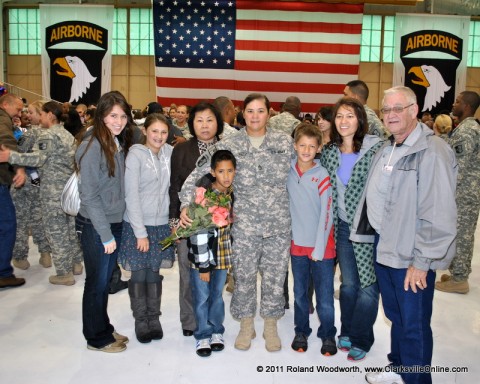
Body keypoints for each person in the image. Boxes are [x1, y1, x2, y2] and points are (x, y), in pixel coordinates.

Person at [354, 86, 457, 384]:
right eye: (386, 109)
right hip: (386, 248)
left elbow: (438, 213)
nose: (390, 115)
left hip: (412, 256)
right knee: (397, 317)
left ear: (414, 111)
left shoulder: (432, 151)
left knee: (414, 324)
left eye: (398, 108)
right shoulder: (391, 146)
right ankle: (399, 367)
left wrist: (422, 261)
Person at [179, 93, 293, 352]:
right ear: (243, 113)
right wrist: (186, 203)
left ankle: (271, 325)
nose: (255, 116)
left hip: (278, 224)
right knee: (243, 276)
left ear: (269, 113)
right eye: (250, 111)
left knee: (275, 278)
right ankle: (246, 324)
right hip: (244, 226)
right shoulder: (230, 143)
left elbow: (302, 171)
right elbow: (198, 173)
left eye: (260, 111)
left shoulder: (284, 142)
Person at [320, 97, 384, 362]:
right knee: (348, 285)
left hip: (368, 227)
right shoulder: (329, 151)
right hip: (343, 229)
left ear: (360, 119)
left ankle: (362, 338)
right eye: (339, 116)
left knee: (368, 286)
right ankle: (346, 331)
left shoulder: (376, 150)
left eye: (350, 116)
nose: (344, 121)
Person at [75, 91, 134, 353]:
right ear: (101, 116)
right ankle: (96, 338)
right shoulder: (93, 146)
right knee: (96, 283)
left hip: (114, 222)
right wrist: (105, 235)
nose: (118, 121)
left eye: (122, 116)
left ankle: (104, 327)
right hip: (97, 226)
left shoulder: (113, 142)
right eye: (113, 116)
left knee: (104, 281)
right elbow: (89, 195)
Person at [0, 101, 82, 285]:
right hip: (67, 191)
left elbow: (37, 158)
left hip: (52, 191)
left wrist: (10, 156)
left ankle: (63, 273)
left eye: (42, 114)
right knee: (70, 229)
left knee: (56, 231)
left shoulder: (49, 135)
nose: (39, 118)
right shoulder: (67, 134)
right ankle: (76, 264)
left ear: (51, 115)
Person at [169, 101, 224, 337]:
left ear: (218, 123)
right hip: (188, 223)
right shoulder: (181, 150)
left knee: (215, 274)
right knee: (188, 273)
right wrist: (175, 224)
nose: (204, 125)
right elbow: (174, 187)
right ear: (192, 123)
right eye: (199, 120)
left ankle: (212, 320)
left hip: (219, 225)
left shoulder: (226, 149)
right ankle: (190, 320)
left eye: (210, 120)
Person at [118, 113, 174, 343]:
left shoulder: (171, 153)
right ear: (145, 131)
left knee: (154, 272)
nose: (159, 136)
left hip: (161, 225)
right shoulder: (135, 155)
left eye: (163, 132)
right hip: (137, 224)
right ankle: (141, 319)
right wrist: (140, 232)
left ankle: (154, 317)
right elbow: (131, 195)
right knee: (139, 273)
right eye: (154, 131)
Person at [287, 123, 337, 356]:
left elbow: (327, 214)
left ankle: (328, 334)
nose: (306, 150)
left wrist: (319, 247)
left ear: (318, 149)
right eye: (302, 145)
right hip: (297, 246)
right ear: (295, 146)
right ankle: (301, 330)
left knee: (325, 297)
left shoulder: (322, 175)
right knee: (299, 294)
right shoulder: (288, 171)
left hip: (322, 249)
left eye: (312, 146)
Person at [188, 149, 236, 357]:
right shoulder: (205, 197)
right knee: (202, 298)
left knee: (217, 296)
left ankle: (217, 330)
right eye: (221, 171)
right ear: (213, 172)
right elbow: (198, 233)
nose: (226, 176)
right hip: (203, 259)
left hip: (223, 257)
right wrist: (204, 266)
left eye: (230, 171)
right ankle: (203, 334)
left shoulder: (231, 194)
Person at [435, 91, 480, 294]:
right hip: (464, 192)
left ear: (468, 107)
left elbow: (458, 168)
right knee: (459, 233)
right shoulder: (464, 128)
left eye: (458, 101)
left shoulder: (467, 131)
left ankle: (460, 279)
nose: (454, 104)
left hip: (464, 194)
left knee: (462, 235)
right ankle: (457, 274)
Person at [11, 100, 52, 270]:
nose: (28, 115)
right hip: (42, 181)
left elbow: (18, 155)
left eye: (32, 112)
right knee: (39, 218)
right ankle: (45, 254)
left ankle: (20, 257)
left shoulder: (31, 134)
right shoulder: (54, 133)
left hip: (26, 178)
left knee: (21, 219)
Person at [0, 93, 26, 289]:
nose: (19, 113)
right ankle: (3, 272)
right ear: (5, 104)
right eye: (16, 109)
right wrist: (19, 167)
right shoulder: (2, 119)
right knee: (7, 224)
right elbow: (6, 142)